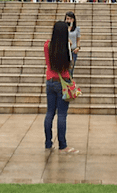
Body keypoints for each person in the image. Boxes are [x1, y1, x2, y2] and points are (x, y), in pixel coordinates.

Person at [44, 21, 78, 153]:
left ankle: (48, 142)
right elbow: (69, 65)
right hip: (62, 82)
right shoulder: (66, 47)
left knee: (49, 113)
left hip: (50, 81)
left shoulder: (47, 45)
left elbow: (48, 61)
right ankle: (62, 145)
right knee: (62, 114)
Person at [65, 11, 81, 77]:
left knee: (71, 69)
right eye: (67, 19)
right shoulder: (64, 28)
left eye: (71, 19)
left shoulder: (77, 29)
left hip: (73, 50)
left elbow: (78, 39)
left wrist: (78, 47)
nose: (69, 20)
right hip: (65, 50)